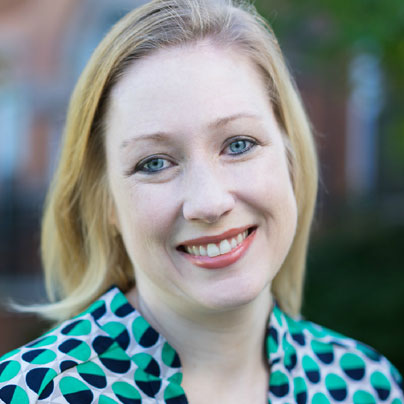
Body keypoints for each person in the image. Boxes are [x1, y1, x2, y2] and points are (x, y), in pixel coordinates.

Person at [0, 0, 402, 403]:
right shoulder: (33, 394)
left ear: (290, 157)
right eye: (154, 163)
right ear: (107, 203)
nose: (209, 203)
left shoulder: (365, 386)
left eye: (239, 144)